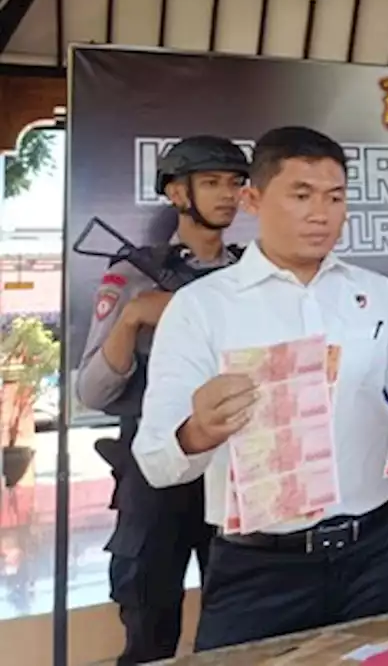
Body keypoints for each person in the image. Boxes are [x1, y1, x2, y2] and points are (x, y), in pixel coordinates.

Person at [132, 126, 388, 651]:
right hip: (259, 567)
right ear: (254, 200)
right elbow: (155, 459)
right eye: (301, 195)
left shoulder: (377, 296)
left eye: (335, 197)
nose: (321, 213)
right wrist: (197, 431)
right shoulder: (202, 307)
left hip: (378, 552)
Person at [76, 136, 248, 665]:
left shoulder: (250, 276)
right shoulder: (133, 275)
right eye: (212, 182)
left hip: (235, 464)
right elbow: (92, 391)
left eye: (236, 183)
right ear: (176, 192)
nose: (228, 195)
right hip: (154, 473)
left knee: (243, 625)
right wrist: (133, 317)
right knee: (150, 626)